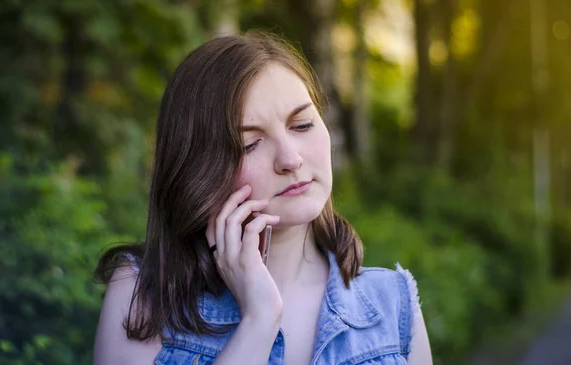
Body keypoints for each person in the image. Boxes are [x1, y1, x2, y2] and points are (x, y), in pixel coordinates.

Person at [93, 31, 433, 365]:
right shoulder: (142, 293)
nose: (290, 159)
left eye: (301, 125)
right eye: (249, 144)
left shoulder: (394, 303)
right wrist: (258, 322)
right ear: (198, 170)